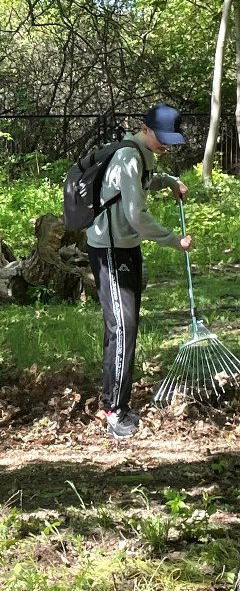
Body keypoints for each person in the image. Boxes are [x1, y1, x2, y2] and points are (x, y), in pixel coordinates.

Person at [87, 104, 192, 439]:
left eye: (169, 139)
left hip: (125, 247)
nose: (166, 144)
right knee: (123, 327)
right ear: (145, 129)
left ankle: (115, 402)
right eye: (162, 137)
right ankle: (115, 413)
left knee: (122, 325)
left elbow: (136, 186)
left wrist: (169, 181)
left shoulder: (142, 154)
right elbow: (136, 215)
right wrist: (175, 241)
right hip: (110, 249)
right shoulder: (129, 156)